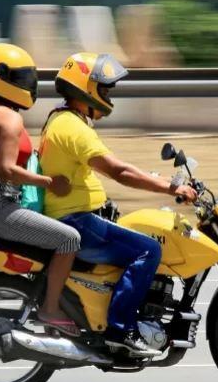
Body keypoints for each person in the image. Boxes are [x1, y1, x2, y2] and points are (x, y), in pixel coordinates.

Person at [39, 52, 197, 354]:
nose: (108, 94)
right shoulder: (72, 127)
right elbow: (119, 171)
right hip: (75, 220)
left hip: (76, 216)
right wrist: (169, 187)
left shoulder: (64, 120)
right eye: (104, 87)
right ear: (85, 88)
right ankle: (121, 329)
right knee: (149, 249)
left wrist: (159, 178)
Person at [0, 43, 82, 336]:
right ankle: (50, 309)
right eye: (21, 77)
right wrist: (51, 182)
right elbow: (7, 169)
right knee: (69, 239)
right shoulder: (9, 116)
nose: (28, 84)